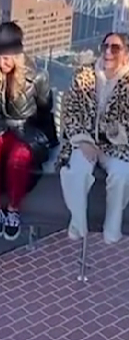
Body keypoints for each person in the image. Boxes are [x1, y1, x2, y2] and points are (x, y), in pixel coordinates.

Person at [0, 21, 57, 240]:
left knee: (19, 157)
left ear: (17, 56)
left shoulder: (38, 76)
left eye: (6, 58)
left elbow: (45, 111)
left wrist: (53, 142)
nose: (1, 63)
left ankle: (14, 210)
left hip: (25, 130)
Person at [59, 31, 129, 245]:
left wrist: (109, 136)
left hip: (117, 146)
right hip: (84, 141)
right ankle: (79, 225)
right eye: (105, 46)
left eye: (115, 48)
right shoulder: (84, 76)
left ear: (126, 54)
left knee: (121, 174)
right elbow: (69, 112)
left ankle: (112, 229)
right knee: (77, 172)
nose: (108, 52)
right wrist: (83, 140)